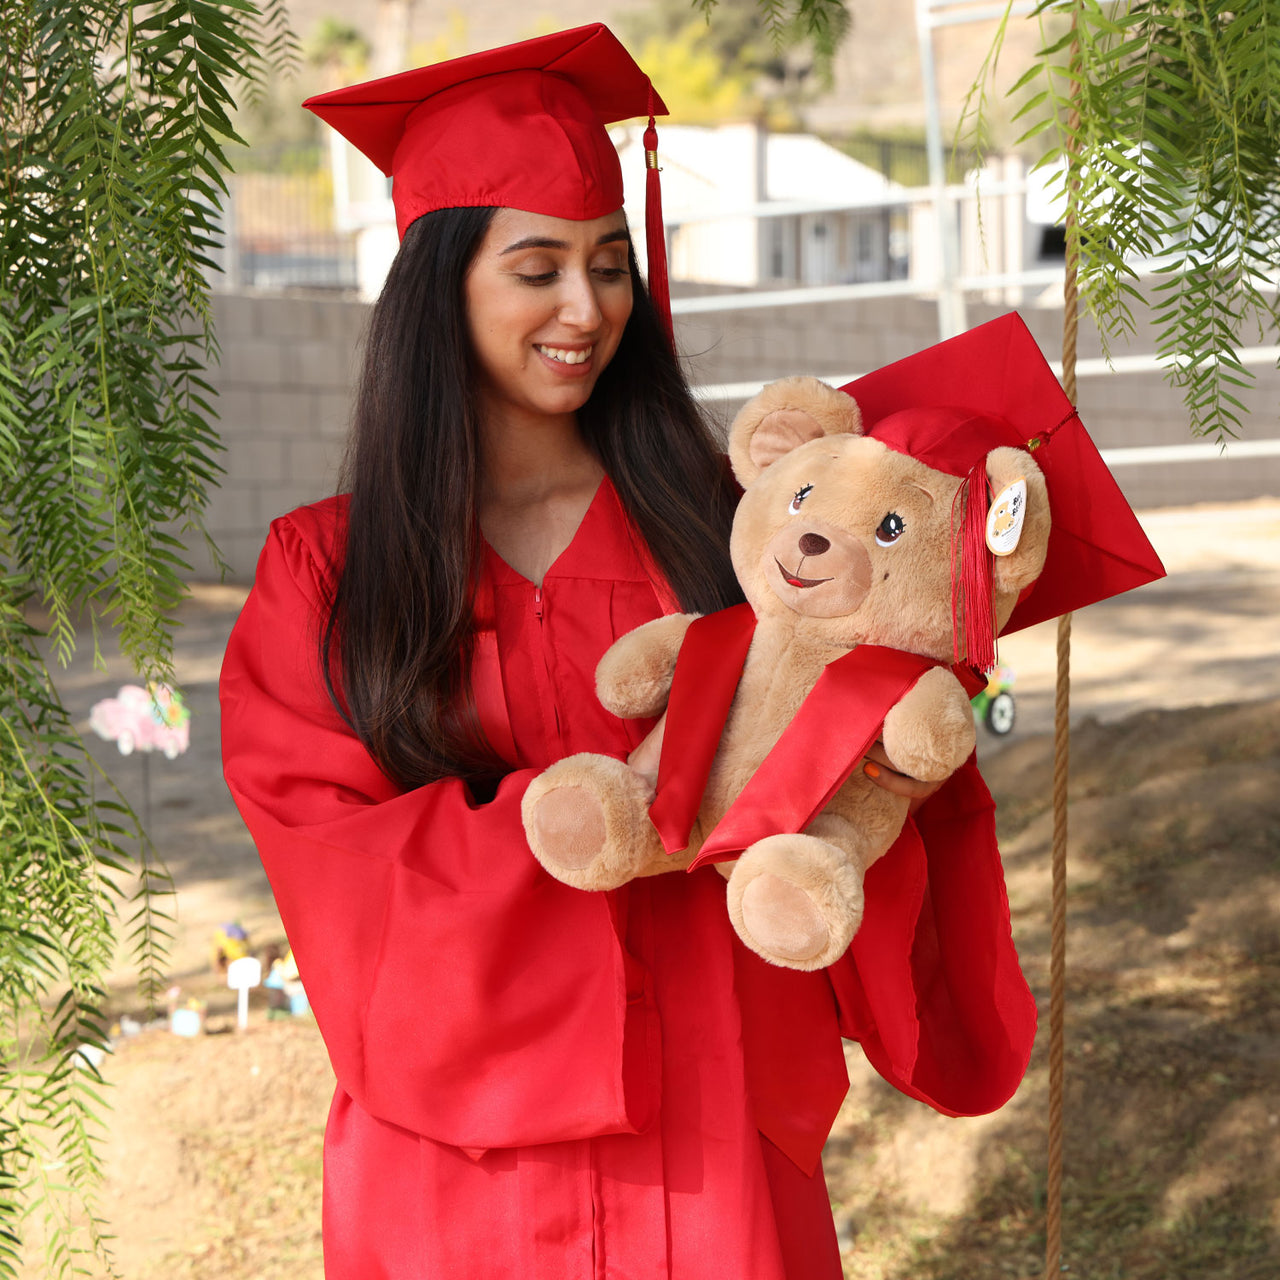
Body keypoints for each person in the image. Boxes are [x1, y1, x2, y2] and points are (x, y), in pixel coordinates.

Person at [220, 24, 1051, 1279]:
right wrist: (636, 812)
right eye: (536, 267)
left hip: (713, 1132)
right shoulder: (329, 576)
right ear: (438, 281)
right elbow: (340, 872)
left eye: (610, 265)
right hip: (460, 1171)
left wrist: (891, 730)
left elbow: (857, 751)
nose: (585, 306)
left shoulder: (725, 526)